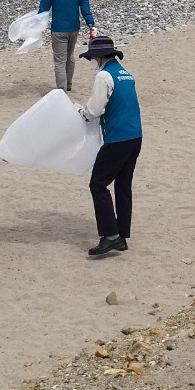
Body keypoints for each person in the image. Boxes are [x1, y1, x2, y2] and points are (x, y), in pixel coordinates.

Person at [77, 36, 142, 257]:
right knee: (123, 186)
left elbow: (94, 110)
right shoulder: (125, 73)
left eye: (92, 57)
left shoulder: (104, 75)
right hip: (135, 136)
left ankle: (110, 235)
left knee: (98, 185)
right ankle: (122, 235)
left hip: (118, 138)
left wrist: (81, 114)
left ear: (100, 56)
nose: (92, 61)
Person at [37, 0, 97, 92]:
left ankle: (61, 90)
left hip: (59, 28)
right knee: (69, 57)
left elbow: (43, 8)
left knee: (59, 60)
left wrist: (37, 26)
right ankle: (68, 84)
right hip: (74, 28)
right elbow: (85, 7)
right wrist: (91, 24)